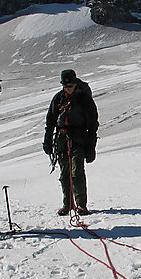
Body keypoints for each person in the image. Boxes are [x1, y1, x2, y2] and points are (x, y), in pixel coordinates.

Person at [43, 69, 98, 216]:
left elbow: (93, 123)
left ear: (76, 83)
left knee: (77, 172)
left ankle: (81, 205)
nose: (68, 87)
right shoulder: (58, 98)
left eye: (71, 85)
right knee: (64, 173)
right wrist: (47, 140)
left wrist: (91, 146)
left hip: (78, 138)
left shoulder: (84, 99)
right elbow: (50, 121)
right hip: (61, 139)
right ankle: (67, 204)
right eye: (65, 85)